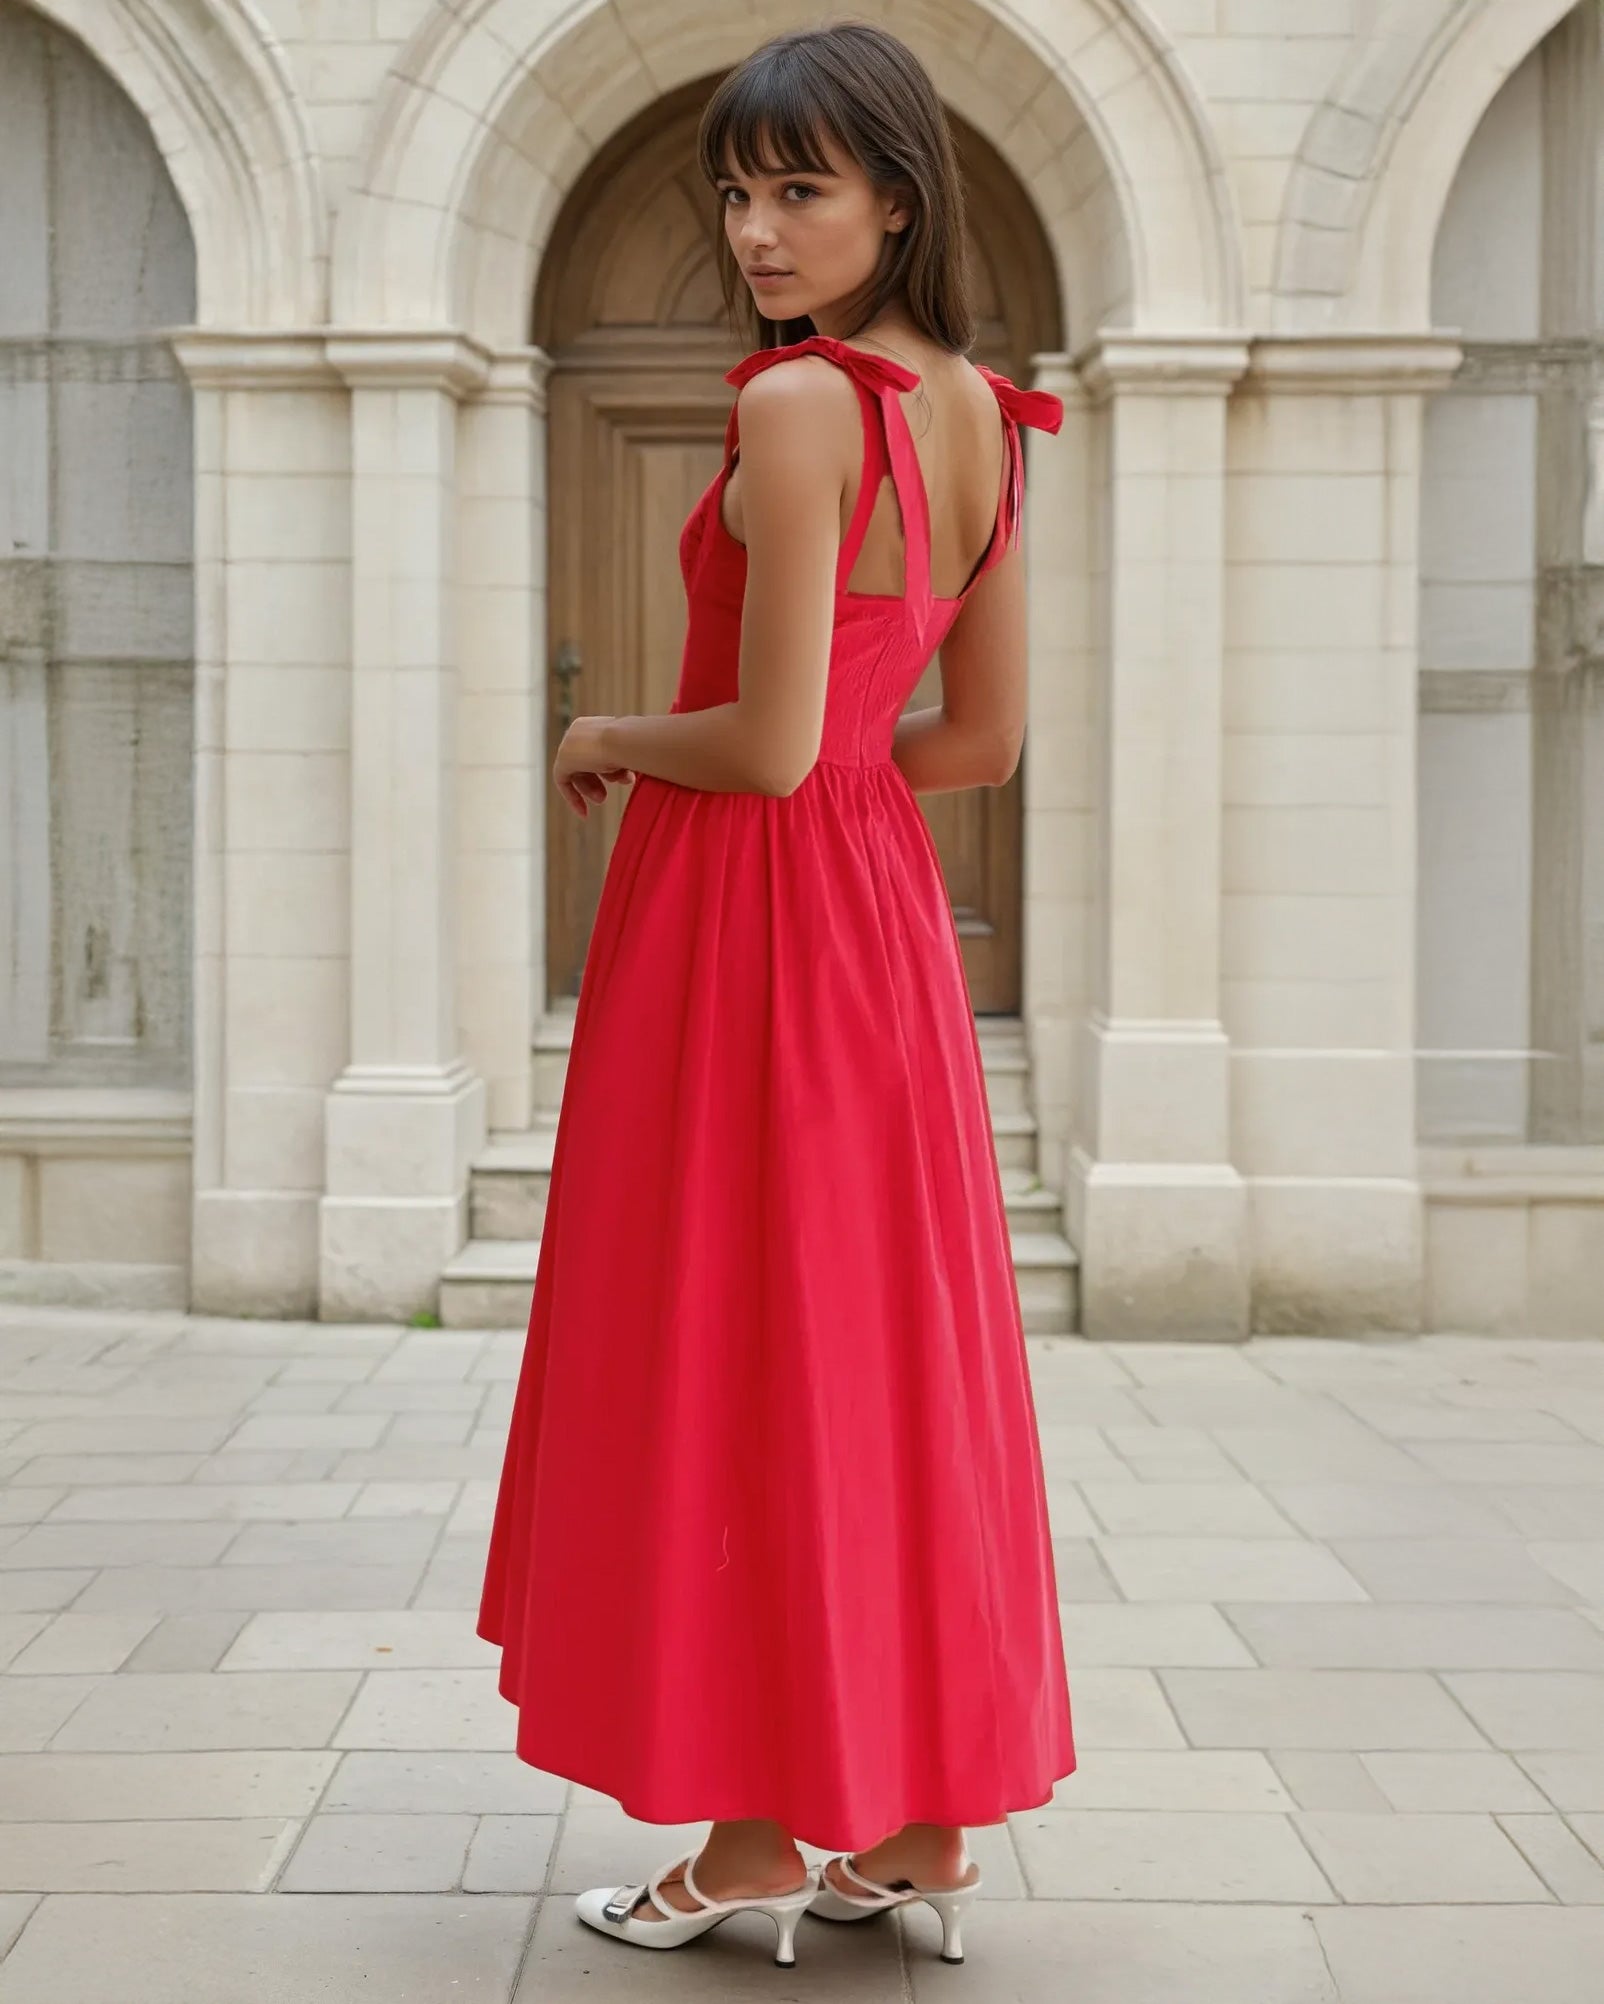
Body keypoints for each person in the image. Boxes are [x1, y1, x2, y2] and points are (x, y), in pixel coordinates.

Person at [475, 18, 1075, 1968]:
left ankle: (746, 1849)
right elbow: (969, 745)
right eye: (737, 191)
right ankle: (910, 1827)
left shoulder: (806, 407)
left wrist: (609, 729)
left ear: (898, 196)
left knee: (737, 1343)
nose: (755, 226)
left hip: (742, 924)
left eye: (799, 187)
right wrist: (833, 816)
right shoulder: (989, 410)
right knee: (872, 1345)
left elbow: (764, 740)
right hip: (874, 930)